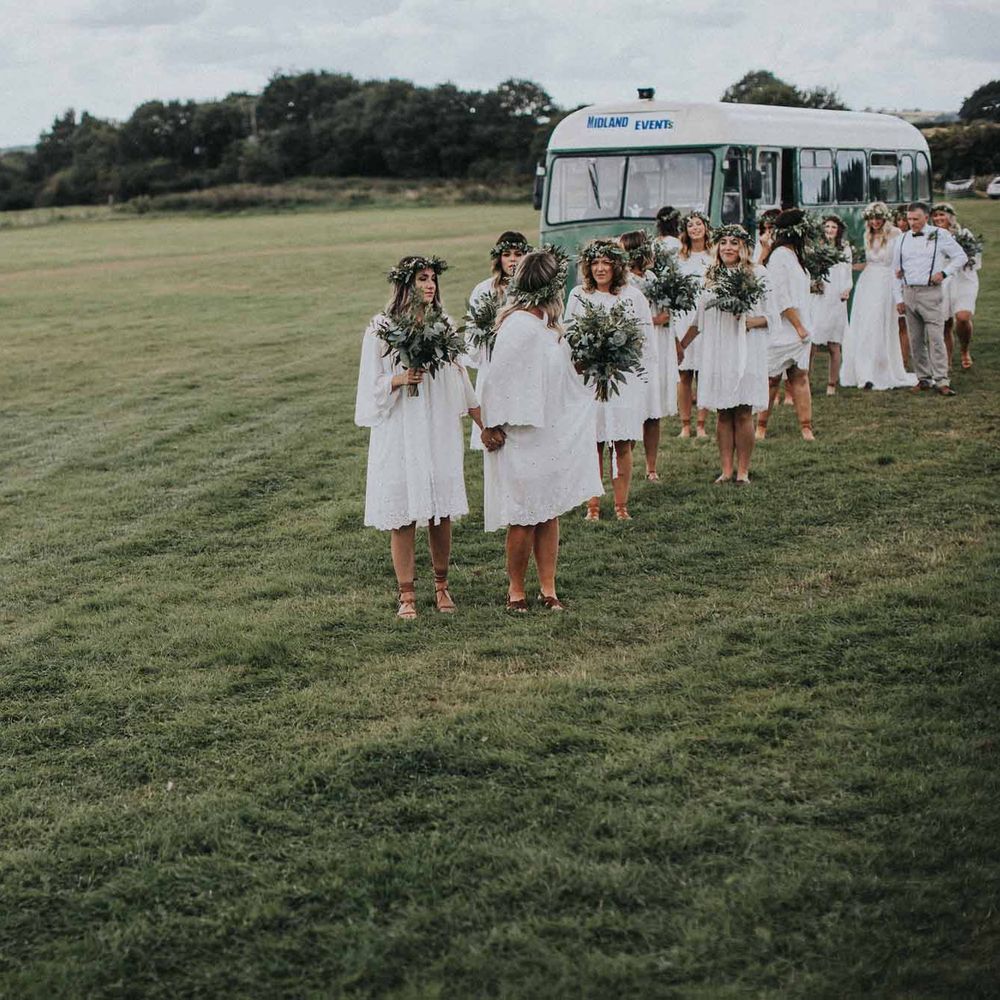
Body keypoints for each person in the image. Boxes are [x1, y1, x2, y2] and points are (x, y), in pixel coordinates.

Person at [354, 255, 484, 619]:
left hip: (436, 427)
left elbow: (460, 378)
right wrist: (399, 378)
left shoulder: (443, 325)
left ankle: (442, 587)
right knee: (403, 513)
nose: (430, 285)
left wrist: (481, 421)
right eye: (423, 279)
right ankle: (407, 595)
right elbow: (369, 387)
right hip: (400, 429)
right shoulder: (380, 328)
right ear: (405, 284)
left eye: (433, 280)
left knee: (441, 511)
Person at [478, 251, 602, 611]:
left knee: (549, 511)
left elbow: (559, 377)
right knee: (523, 516)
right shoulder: (517, 325)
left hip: (550, 429)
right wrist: (493, 425)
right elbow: (496, 381)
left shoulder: (549, 327)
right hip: (522, 433)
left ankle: (548, 589)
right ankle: (516, 590)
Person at [679, 225, 773, 484]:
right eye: (723, 242)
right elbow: (699, 319)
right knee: (723, 411)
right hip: (718, 349)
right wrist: (682, 345)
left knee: (742, 410)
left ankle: (743, 470)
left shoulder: (758, 273)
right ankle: (726, 469)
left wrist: (746, 321)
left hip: (745, 348)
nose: (728, 247)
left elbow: (771, 317)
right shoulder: (710, 275)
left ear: (743, 247)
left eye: (734, 242)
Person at [565, 239, 650, 520]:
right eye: (595, 263)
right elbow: (569, 336)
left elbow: (642, 337)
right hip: (590, 380)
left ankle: (621, 505)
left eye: (606, 262)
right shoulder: (579, 294)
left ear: (617, 265)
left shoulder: (632, 296)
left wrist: (621, 354)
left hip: (622, 379)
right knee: (594, 442)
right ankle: (593, 506)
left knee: (622, 442)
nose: (600, 268)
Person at [465, 232, 532, 449]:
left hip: (524, 368)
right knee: (495, 438)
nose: (513, 259)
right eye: (507, 254)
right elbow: (471, 335)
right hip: (493, 366)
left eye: (518, 254)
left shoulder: (533, 291)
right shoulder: (484, 290)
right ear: (498, 258)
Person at [892, 201, 968, 395]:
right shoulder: (901, 239)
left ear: (926, 217)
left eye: (916, 219)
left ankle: (942, 380)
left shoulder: (940, 235)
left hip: (930, 292)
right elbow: (895, 271)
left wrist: (944, 273)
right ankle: (923, 378)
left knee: (935, 338)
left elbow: (961, 257)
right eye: (909, 219)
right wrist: (898, 298)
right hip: (909, 292)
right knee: (916, 339)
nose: (911, 223)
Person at [841, 202, 916, 391]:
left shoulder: (896, 234)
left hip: (886, 282)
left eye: (878, 218)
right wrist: (842, 266)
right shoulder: (867, 235)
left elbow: (903, 258)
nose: (874, 222)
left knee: (879, 324)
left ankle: (880, 370)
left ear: (884, 218)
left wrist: (902, 274)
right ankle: (864, 372)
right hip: (867, 282)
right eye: (871, 218)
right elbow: (866, 263)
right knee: (864, 325)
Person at [754, 208, 815, 441]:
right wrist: (798, 325)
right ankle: (761, 426)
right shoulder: (779, 256)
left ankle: (806, 427)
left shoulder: (795, 255)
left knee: (800, 375)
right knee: (771, 378)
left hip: (801, 325)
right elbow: (780, 296)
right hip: (784, 326)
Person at [620, 230, 668, 481]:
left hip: (654, 346)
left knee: (652, 411)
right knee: (632, 410)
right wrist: (655, 319)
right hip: (633, 349)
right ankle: (624, 460)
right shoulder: (624, 281)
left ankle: (651, 467)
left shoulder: (651, 276)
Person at [675, 211, 713, 438]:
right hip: (683, 317)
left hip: (706, 317)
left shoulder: (714, 255)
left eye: (699, 224)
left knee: (704, 372)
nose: (695, 228)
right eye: (690, 225)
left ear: (705, 228)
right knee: (684, 373)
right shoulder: (680, 257)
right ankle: (685, 424)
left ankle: (701, 424)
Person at [931, 203, 980, 370]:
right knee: (945, 323)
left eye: (942, 215)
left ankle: (965, 350)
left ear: (950, 217)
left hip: (964, 279)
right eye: (935, 215)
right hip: (941, 280)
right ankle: (947, 361)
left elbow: (975, 259)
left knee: (963, 317)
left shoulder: (964, 234)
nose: (938, 218)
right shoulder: (931, 236)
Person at [810, 215, 853, 395]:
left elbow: (847, 273)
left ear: (838, 230)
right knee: (811, 343)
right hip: (819, 297)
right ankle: (806, 381)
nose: (829, 230)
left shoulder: (845, 249)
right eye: (827, 227)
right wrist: (814, 283)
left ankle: (832, 384)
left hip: (836, 297)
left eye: (833, 227)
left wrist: (846, 290)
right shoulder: (816, 248)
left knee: (833, 344)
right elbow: (810, 270)